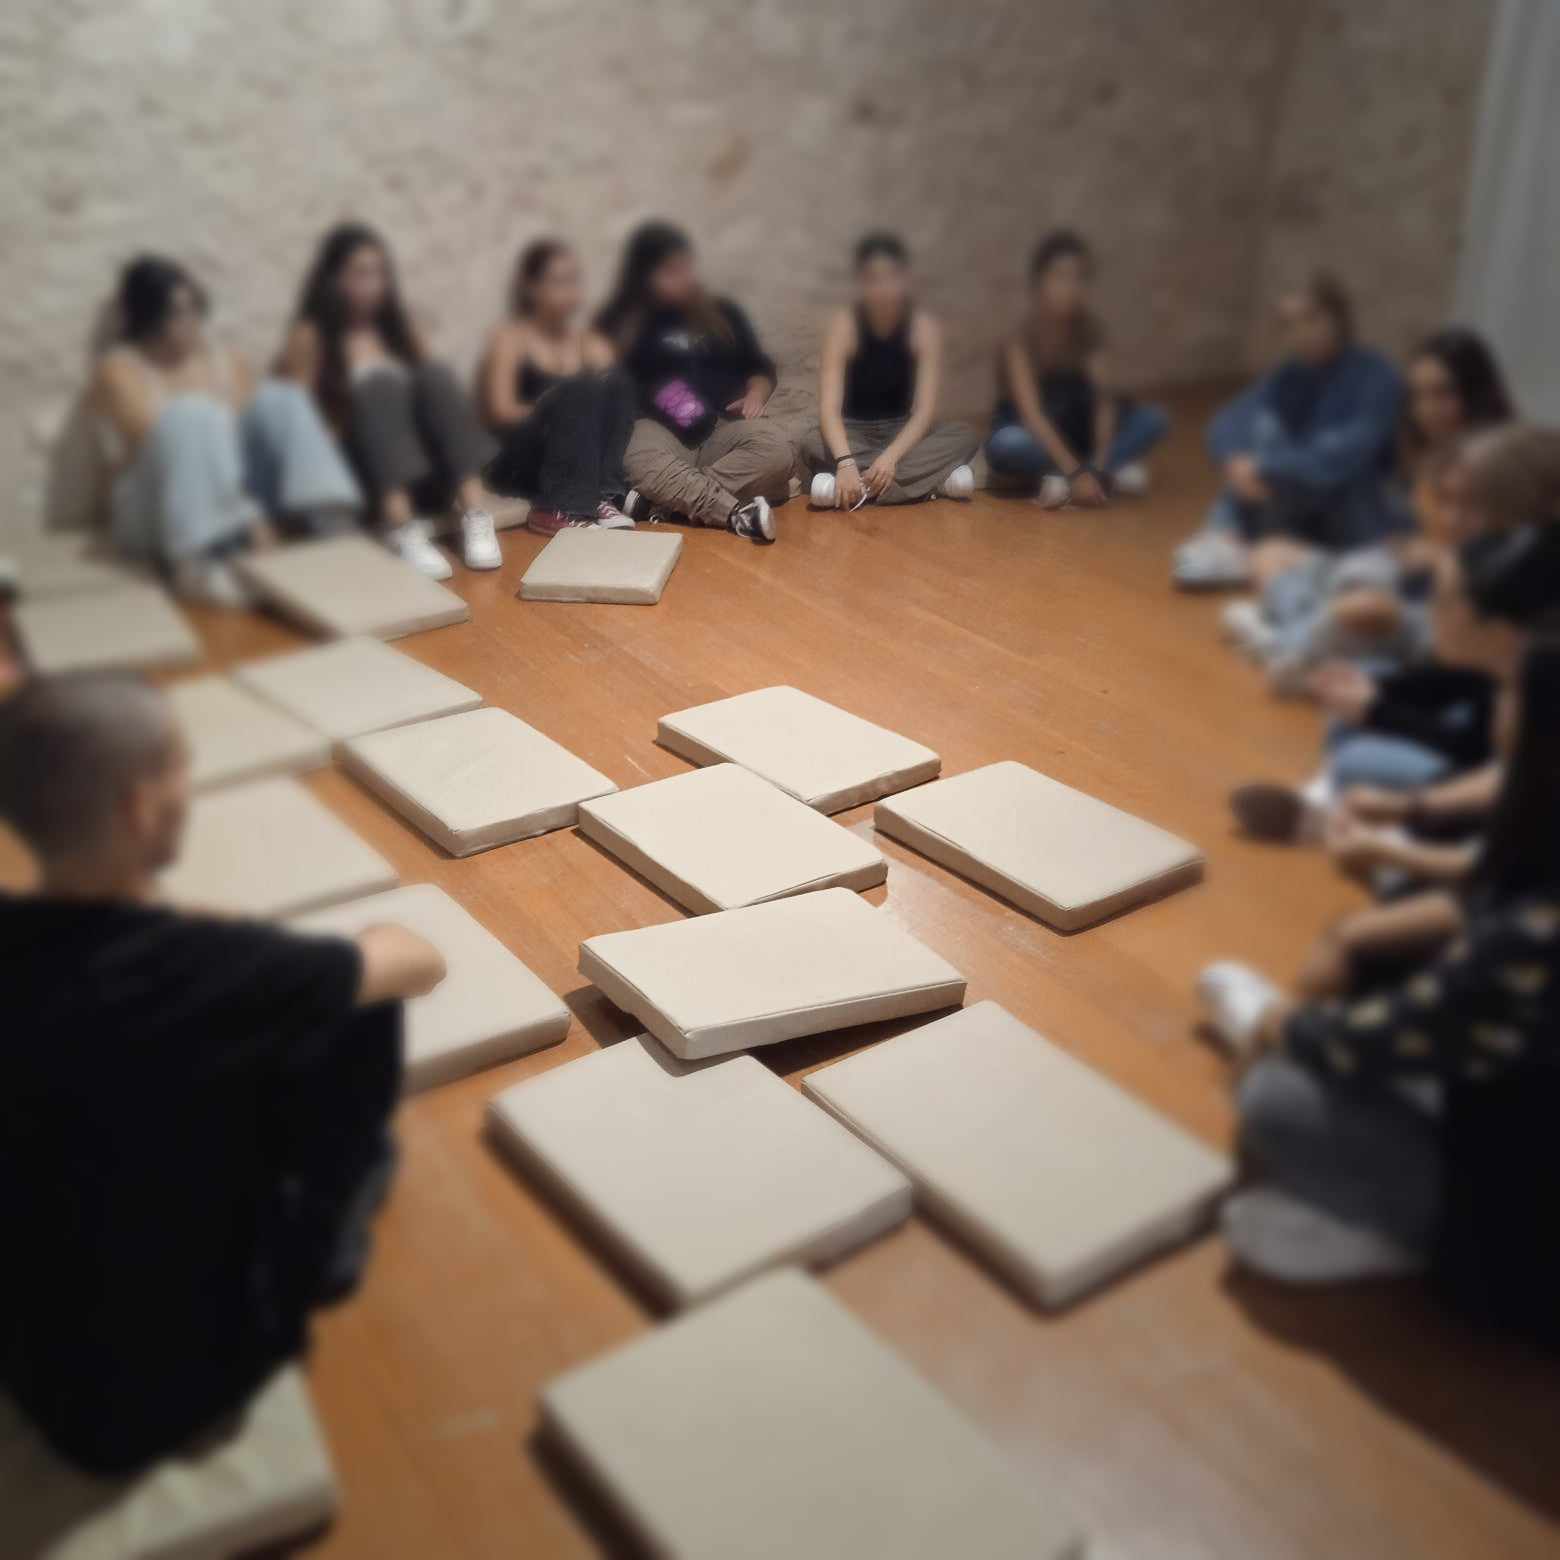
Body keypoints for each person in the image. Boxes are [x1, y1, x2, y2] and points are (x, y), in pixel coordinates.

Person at [0, 673, 447, 1474]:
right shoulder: (219, 973)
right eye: (179, 767)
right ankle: (323, 1244)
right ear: (142, 809)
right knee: (358, 1010)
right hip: (165, 1390)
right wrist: (274, 950)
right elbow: (416, 961)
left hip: (27, 1356)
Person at [1197, 640, 1560, 1346]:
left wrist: (1278, 1022)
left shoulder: (1535, 938)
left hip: (1518, 1251)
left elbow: (1361, 1041)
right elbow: (1482, 902)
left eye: (1512, 693)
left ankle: (1400, 1237)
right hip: (1506, 1097)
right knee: (1380, 943)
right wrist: (1360, 932)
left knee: (1274, 1095)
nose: (1499, 704)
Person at [1221, 328, 1515, 681]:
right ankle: (1310, 637)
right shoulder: (1415, 451)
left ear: (1474, 391)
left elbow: (1499, 561)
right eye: (1419, 396)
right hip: (1393, 570)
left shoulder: (1497, 461)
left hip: (1440, 602)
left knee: (1364, 606)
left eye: (1443, 393)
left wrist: (1438, 556)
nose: (1428, 409)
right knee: (1269, 554)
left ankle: (1290, 644)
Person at [91, 255, 363, 607]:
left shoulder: (227, 362)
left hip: (236, 500)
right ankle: (198, 562)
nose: (189, 322)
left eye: (193, 309)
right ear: (148, 316)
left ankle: (331, 520)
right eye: (175, 313)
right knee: (191, 415)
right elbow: (157, 443)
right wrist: (249, 515)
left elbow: (250, 437)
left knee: (283, 399)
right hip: (159, 507)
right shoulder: (120, 369)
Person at [279, 223, 501, 578]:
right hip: (362, 476)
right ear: (334, 279)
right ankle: (403, 529)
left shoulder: (399, 329)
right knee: (379, 386)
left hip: (421, 473)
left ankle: (476, 513)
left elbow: (436, 402)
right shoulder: (310, 336)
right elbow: (300, 425)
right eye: (361, 273)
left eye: (380, 273)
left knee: (435, 374)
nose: (374, 285)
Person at [1175, 272, 1404, 588]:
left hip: (1352, 505)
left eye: (1311, 319)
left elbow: (1346, 454)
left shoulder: (1376, 376)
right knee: (1261, 432)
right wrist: (1234, 461)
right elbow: (1230, 419)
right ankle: (1229, 539)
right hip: (1294, 498)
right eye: (1289, 324)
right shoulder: (1292, 374)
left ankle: (1247, 544)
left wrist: (1266, 466)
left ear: (1339, 319)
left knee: (1278, 450)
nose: (1301, 333)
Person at [599, 222, 791, 544]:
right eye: (670, 271)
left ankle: (665, 505)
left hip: (721, 428)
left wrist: (755, 394)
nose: (684, 278)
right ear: (645, 277)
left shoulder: (723, 312)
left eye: (686, 268)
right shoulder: (625, 320)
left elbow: (759, 367)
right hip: (659, 432)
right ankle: (733, 512)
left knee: (778, 450)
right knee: (635, 460)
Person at [984, 230, 1169, 509]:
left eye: (1078, 278)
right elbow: (1033, 415)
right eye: (1060, 277)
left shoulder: (1090, 333)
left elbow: (1103, 401)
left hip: (1077, 431)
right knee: (1007, 444)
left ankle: (1085, 477)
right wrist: (1075, 472)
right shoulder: (1019, 341)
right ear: (1039, 282)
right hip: (1035, 433)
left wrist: (1098, 464)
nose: (1070, 287)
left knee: (1153, 419)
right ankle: (1085, 476)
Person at [801, 233, 979, 509]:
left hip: (901, 431)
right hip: (853, 432)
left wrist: (890, 458)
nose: (883, 287)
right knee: (810, 441)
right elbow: (829, 409)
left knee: (964, 435)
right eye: (874, 279)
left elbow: (924, 412)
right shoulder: (844, 326)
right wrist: (845, 462)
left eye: (892, 277)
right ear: (861, 283)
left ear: (905, 279)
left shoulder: (923, 328)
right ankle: (933, 484)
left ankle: (849, 490)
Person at [479, 237, 636, 537]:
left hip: (574, 466)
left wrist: (596, 384)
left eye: (573, 281)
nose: (569, 291)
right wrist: (554, 408)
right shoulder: (511, 338)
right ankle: (556, 509)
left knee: (617, 382)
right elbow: (500, 412)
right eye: (558, 282)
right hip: (518, 464)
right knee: (576, 390)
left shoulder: (584, 341)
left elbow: (610, 404)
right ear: (532, 288)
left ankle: (600, 496)